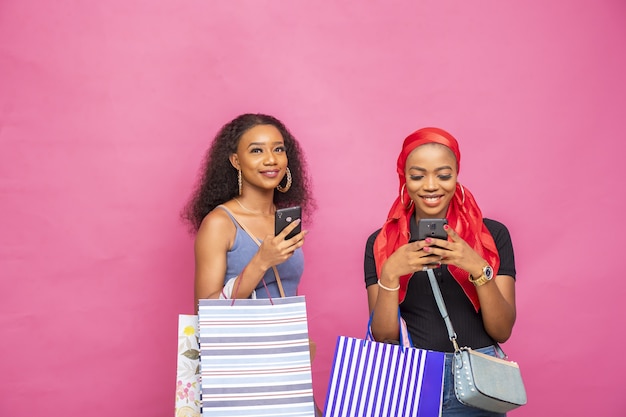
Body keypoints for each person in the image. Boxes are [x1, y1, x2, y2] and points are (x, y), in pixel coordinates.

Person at [364, 127, 517, 416]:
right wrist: (390, 275)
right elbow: (384, 338)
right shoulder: (381, 243)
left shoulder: (492, 235)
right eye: (418, 175)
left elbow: (502, 330)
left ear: (457, 176)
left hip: (478, 381)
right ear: (404, 180)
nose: (431, 185)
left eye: (443, 175)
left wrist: (475, 266)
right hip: (412, 378)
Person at [181, 112, 315, 307]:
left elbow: (287, 291)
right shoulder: (219, 223)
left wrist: (301, 336)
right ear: (236, 161)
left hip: (285, 337)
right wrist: (261, 261)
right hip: (242, 338)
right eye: (256, 151)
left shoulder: (283, 219)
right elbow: (205, 311)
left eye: (278, 149)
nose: (271, 159)